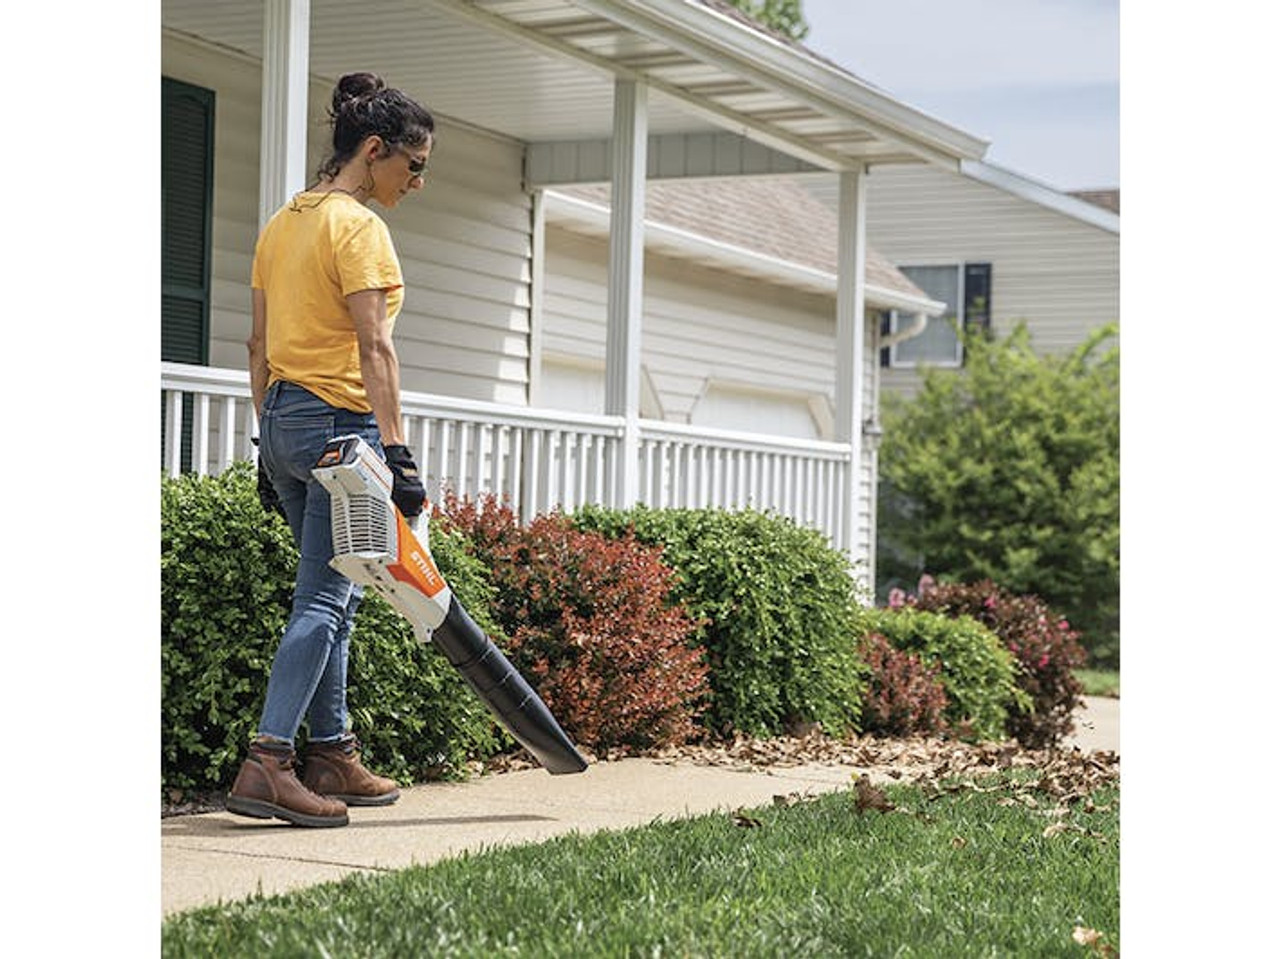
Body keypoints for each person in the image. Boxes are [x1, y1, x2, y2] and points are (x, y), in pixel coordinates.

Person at [226, 72, 434, 828]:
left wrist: (266, 438)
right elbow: (375, 347)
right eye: (412, 165)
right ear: (373, 150)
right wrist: (400, 455)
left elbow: (256, 343)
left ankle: (333, 751)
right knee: (323, 598)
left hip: (280, 422)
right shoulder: (358, 228)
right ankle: (270, 762)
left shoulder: (282, 223)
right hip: (338, 432)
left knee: (337, 596)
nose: (417, 181)